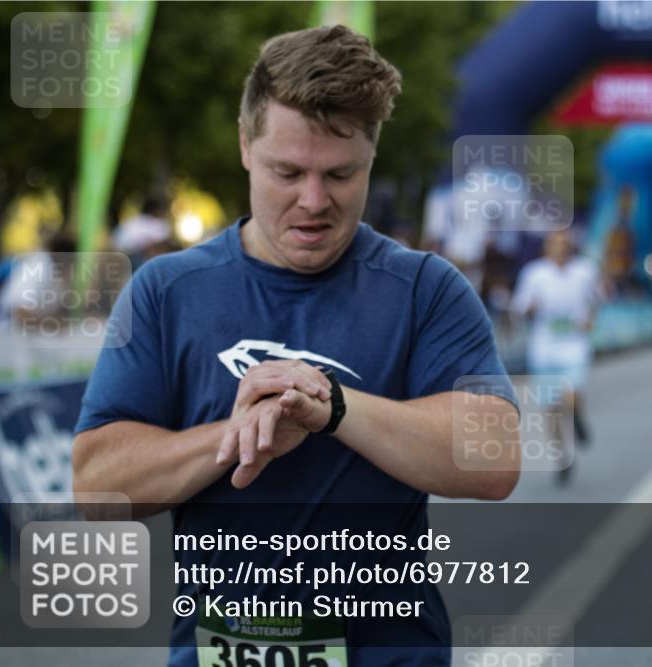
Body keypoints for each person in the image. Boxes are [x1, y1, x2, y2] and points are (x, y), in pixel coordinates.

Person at [72, 26, 520, 667]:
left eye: (340, 174)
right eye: (288, 172)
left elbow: (495, 459)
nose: (314, 201)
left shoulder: (426, 288)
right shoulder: (167, 291)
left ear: (371, 157)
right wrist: (240, 433)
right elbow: (96, 489)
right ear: (245, 145)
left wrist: (331, 408)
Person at [511, 229, 600, 484]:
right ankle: (562, 458)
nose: (560, 249)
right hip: (544, 349)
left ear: (571, 247)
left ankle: (577, 416)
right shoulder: (534, 273)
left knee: (572, 395)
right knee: (550, 410)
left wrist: (590, 319)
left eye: (564, 245)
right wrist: (530, 308)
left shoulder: (585, 271)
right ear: (546, 249)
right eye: (555, 245)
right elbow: (518, 307)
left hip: (574, 345)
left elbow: (597, 300)